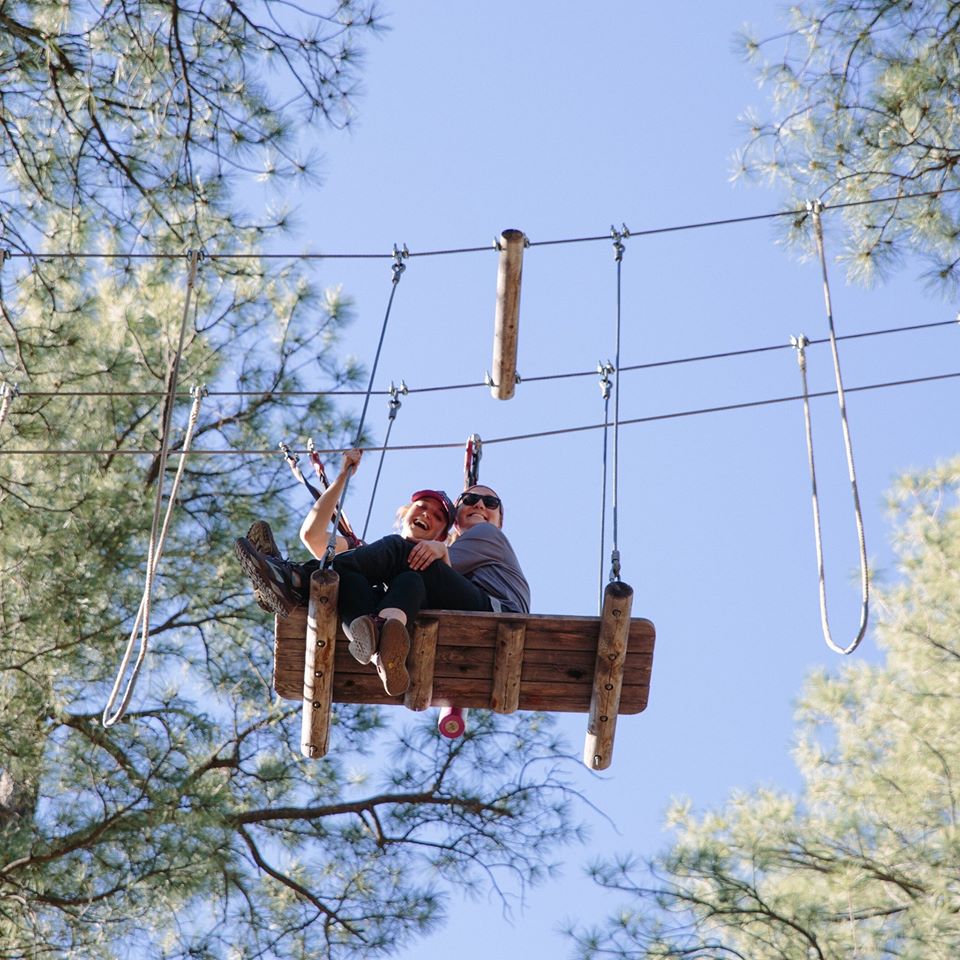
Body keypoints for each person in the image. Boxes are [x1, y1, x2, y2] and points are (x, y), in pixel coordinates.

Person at [234, 452, 529, 698]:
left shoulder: (484, 536)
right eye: (469, 499)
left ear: (444, 534)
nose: (479, 505)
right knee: (363, 578)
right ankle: (382, 649)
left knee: (400, 557)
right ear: (405, 512)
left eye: (490, 503)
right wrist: (342, 478)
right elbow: (313, 536)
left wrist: (440, 551)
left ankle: (294, 581)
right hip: (414, 598)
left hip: (498, 612)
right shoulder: (377, 554)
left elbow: (434, 567)